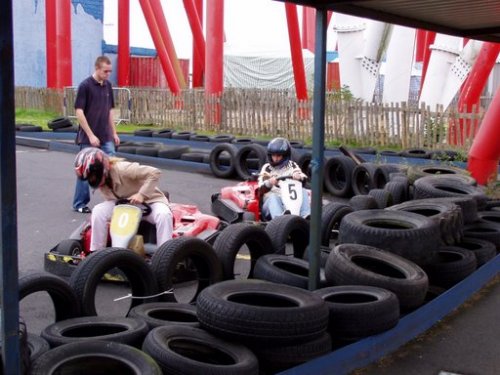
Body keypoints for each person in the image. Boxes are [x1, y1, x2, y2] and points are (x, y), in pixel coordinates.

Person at [74, 148, 173, 252]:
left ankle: (164, 255)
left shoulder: (123, 169)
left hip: (150, 202)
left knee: (164, 215)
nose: (92, 180)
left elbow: (155, 172)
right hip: (123, 206)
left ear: (100, 168)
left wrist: (141, 194)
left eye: (92, 177)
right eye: (89, 178)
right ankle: (97, 253)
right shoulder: (103, 181)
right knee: (98, 211)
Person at [72, 55, 121, 213]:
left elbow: (109, 112)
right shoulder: (85, 86)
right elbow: (79, 112)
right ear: (97, 69)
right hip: (89, 137)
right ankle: (80, 203)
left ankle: (115, 199)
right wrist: (91, 135)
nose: (108, 74)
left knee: (113, 167)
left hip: (106, 136)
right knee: (86, 170)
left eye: (110, 71)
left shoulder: (107, 86)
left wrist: (114, 133)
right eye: (105, 71)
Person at [258, 137, 311, 220]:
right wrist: (270, 182)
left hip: (289, 202)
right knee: (273, 197)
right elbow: (260, 189)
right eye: (273, 155)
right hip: (269, 206)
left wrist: (298, 176)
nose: (275, 158)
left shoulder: (292, 165)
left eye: (278, 155)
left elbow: (303, 178)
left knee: (303, 191)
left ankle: (306, 215)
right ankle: (280, 219)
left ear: (285, 155)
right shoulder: (267, 168)